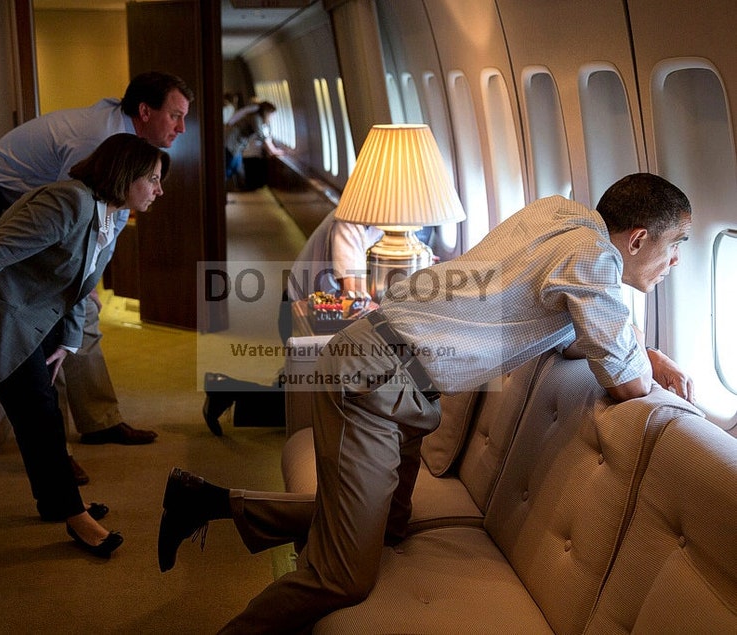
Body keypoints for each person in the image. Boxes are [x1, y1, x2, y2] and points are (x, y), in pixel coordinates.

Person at [157, 173, 697, 632]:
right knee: (342, 577)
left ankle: (207, 501)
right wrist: (648, 361)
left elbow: (572, 334)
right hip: (372, 381)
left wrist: (644, 351)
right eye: (677, 245)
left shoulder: (557, 213)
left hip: (404, 384)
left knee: (388, 527)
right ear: (638, 238)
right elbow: (626, 383)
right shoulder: (594, 259)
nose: (675, 261)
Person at [0, 133, 169, 557]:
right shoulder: (67, 203)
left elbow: (78, 287)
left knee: (39, 409)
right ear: (125, 176)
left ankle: (53, 503)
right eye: (153, 179)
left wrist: (67, 341)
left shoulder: (113, 218)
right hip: (1, 313)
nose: (160, 190)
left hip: (40, 314)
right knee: (41, 414)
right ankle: (74, 516)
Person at [0, 71, 194, 482]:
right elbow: (76, 215)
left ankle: (100, 419)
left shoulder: (132, 147)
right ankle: (55, 450)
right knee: (44, 320)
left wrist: (91, 282)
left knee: (81, 311)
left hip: (49, 213)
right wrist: (81, 285)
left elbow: (112, 223)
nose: (181, 127)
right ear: (145, 111)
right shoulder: (100, 142)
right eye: (175, 116)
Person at [201, 210, 383, 436]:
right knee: (311, 411)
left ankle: (224, 388)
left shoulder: (379, 222)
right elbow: (355, 296)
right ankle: (225, 390)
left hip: (311, 316)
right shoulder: (349, 223)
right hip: (301, 319)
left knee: (303, 399)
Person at [224, 100, 283, 181]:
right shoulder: (255, 118)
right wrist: (273, 150)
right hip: (231, 143)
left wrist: (271, 149)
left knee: (235, 166)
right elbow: (261, 135)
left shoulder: (258, 118)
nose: (272, 117)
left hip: (237, 145)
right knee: (231, 166)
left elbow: (266, 135)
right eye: (271, 115)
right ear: (266, 112)